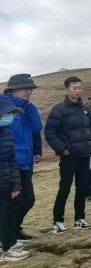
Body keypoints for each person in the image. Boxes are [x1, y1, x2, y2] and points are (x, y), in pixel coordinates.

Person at [44, 76, 91, 234]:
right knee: (64, 189)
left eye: (80, 88)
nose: (78, 91)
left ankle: (80, 219)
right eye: (75, 88)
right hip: (69, 157)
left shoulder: (85, 108)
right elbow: (49, 132)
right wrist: (62, 149)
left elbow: (88, 128)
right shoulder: (59, 109)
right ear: (67, 89)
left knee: (82, 188)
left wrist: (89, 145)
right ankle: (57, 222)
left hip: (84, 155)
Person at [3, 74, 42, 243]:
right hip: (9, 163)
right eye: (25, 88)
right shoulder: (4, 105)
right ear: (13, 90)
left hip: (26, 161)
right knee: (14, 202)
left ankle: (14, 229)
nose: (29, 91)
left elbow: (37, 127)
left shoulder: (26, 108)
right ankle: (7, 238)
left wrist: (29, 107)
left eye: (31, 89)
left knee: (28, 200)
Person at [0, 96, 29, 262]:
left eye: (12, 113)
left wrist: (16, 185)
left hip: (7, 184)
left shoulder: (7, 133)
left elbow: (11, 161)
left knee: (9, 214)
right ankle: (6, 249)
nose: (10, 117)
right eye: (7, 113)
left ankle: (8, 243)